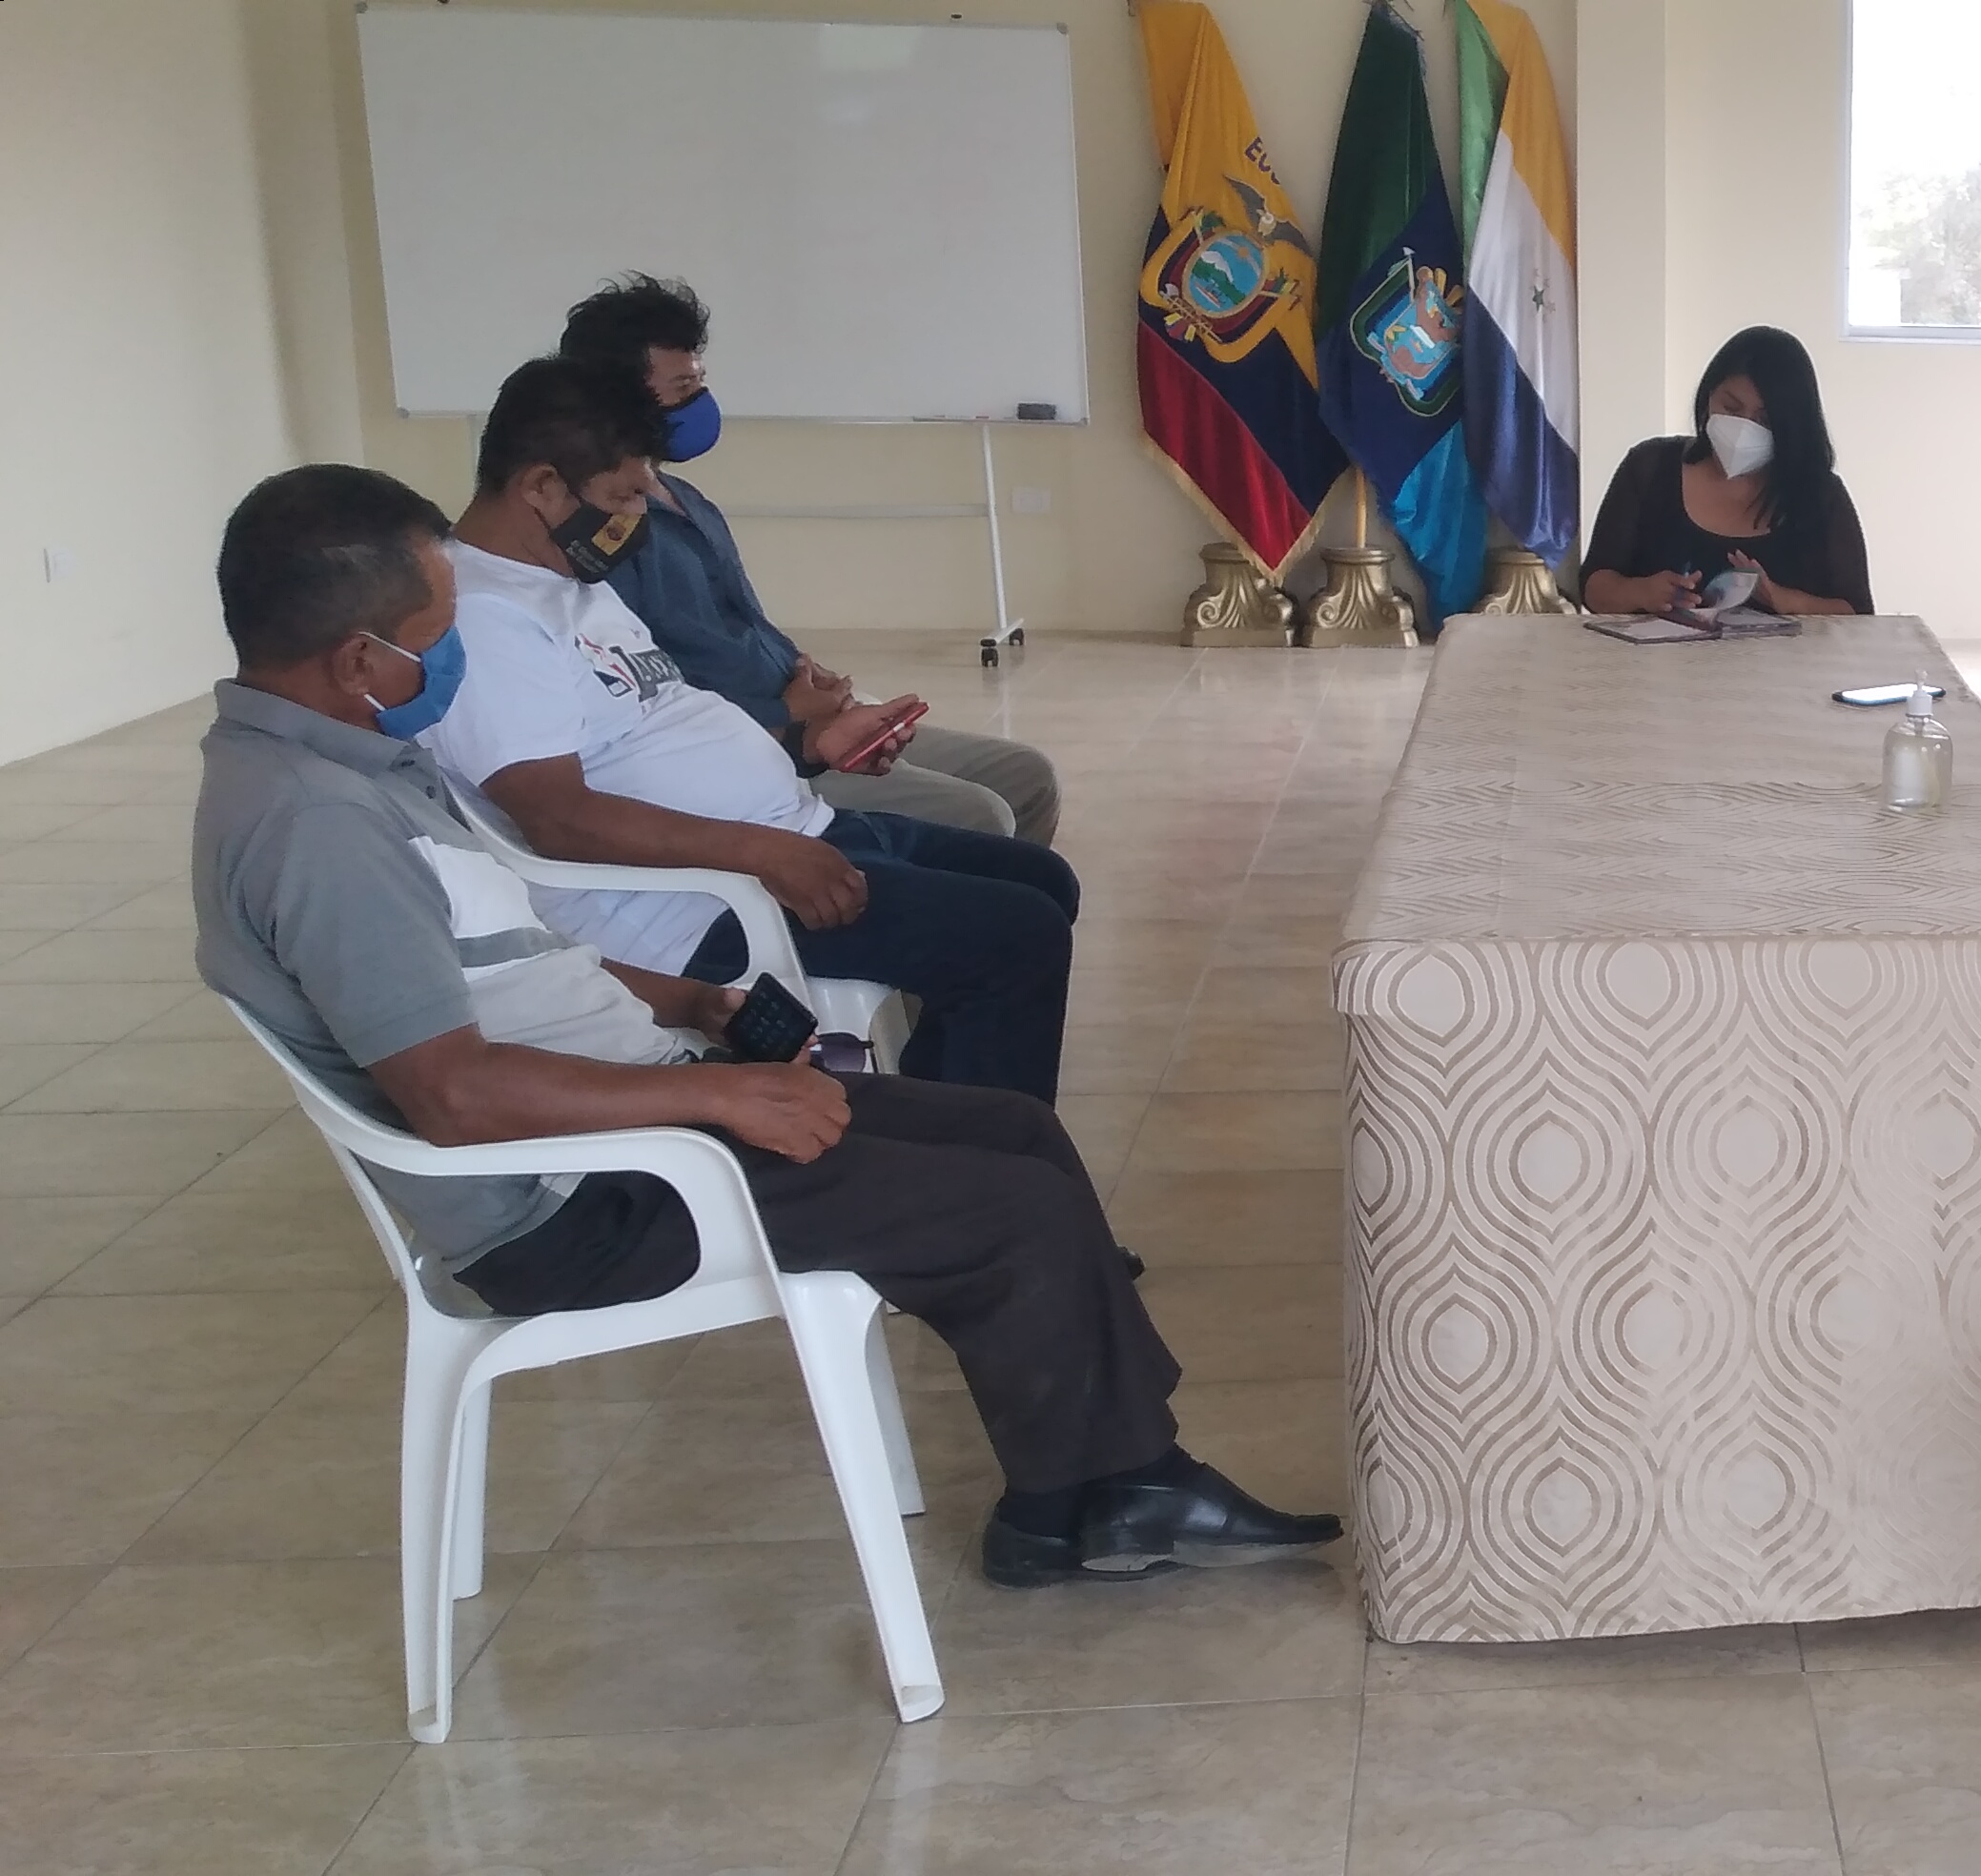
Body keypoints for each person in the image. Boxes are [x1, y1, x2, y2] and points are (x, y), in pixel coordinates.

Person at [194, 463, 1336, 1586]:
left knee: (1013, 1133)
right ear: (358, 661)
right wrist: (715, 1092)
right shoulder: (317, 830)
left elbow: (512, 960)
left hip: (626, 1120)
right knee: (1010, 1206)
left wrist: (691, 1006)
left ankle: (1087, 1491)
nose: (451, 656)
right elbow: (452, 1095)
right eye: (435, 635)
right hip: (580, 1202)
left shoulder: (352, 765)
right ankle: (1108, 1493)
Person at [422, 354, 1079, 1103]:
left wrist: (806, 747)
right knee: (1016, 936)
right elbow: (558, 819)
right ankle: (982, 1162)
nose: (638, 516)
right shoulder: (487, 616)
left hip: (780, 839)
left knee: (1041, 882)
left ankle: (945, 1115)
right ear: (540, 485)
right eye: (623, 495)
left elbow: (655, 728)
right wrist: (760, 851)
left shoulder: (563, 580)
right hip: (691, 908)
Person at [556, 275, 1064, 844]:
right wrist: (788, 715)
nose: (700, 401)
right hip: (755, 748)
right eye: (683, 386)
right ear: (619, 398)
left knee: (1026, 776)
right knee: (980, 816)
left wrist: (800, 668)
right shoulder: (600, 535)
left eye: (701, 381)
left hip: (807, 716)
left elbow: (737, 623)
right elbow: (640, 691)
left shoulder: (685, 498)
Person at [1581, 325, 1873, 617]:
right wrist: (1640, 593)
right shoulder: (1649, 467)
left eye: (1764, 421)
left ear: (1792, 427)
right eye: (1731, 408)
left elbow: (1857, 612)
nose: (1744, 427)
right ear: (1708, 397)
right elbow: (1593, 586)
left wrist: (1787, 601)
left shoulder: (1821, 495)